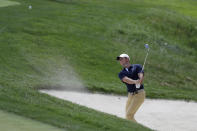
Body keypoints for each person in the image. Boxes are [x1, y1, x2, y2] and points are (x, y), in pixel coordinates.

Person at [117, 53, 145, 123]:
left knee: (129, 115)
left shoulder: (137, 66)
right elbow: (126, 80)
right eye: (119, 60)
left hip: (139, 94)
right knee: (127, 116)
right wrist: (135, 81)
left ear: (127, 59)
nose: (120, 61)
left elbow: (140, 75)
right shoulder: (121, 73)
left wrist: (140, 78)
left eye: (121, 59)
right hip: (130, 95)